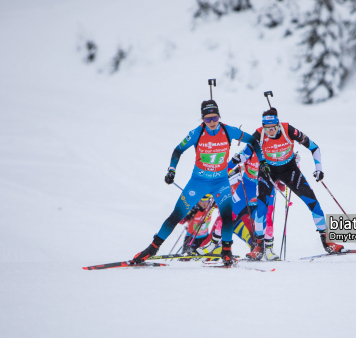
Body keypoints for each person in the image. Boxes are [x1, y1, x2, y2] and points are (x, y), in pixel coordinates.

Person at [131, 100, 270, 266]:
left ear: (219, 117)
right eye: (207, 119)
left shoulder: (228, 130)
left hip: (220, 182)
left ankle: (226, 252)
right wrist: (171, 170)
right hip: (198, 182)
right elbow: (178, 150)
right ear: (202, 119)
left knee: (226, 217)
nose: (212, 122)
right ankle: (152, 249)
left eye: (215, 118)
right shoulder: (197, 132)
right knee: (176, 215)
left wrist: (262, 162)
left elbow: (254, 142)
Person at [247, 107, 344, 260]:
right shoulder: (258, 134)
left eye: (273, 127)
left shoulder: (288, 130)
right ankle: (259, 246)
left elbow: (314, 147)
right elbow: (246, 152)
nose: (271, 131)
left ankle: (327, 242)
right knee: (261, 209)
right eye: (267, 129)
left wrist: (319, 169)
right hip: (267, 172)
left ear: (278, 125)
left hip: (289, 170)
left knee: (313, 202)